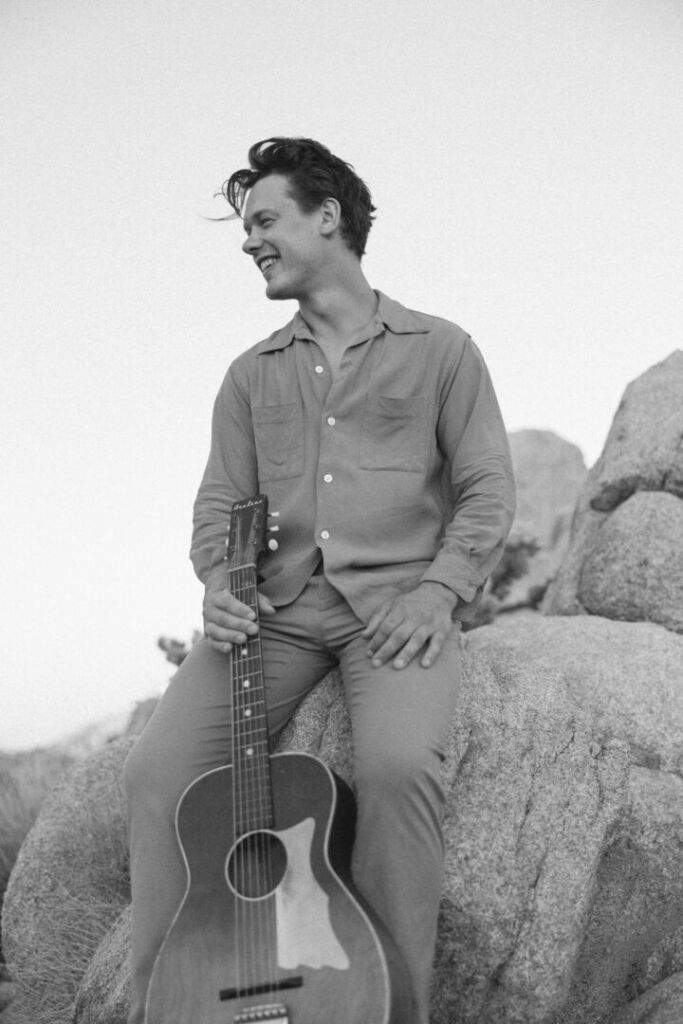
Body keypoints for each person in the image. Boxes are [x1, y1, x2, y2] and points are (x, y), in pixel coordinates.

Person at [124, 137, 516, 1024]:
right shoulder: (248, 375)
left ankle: (387, 1008)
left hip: (396, 610)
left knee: (397, 771)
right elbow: (219, 501)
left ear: (327, 217)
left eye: (264, 219)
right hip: (276, 612)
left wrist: (439, 592)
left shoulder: (442, 350)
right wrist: (219, 582)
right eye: (247, 226)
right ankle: (167, 1004)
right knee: (154, 774)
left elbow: (487, 485)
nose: (249, 240)